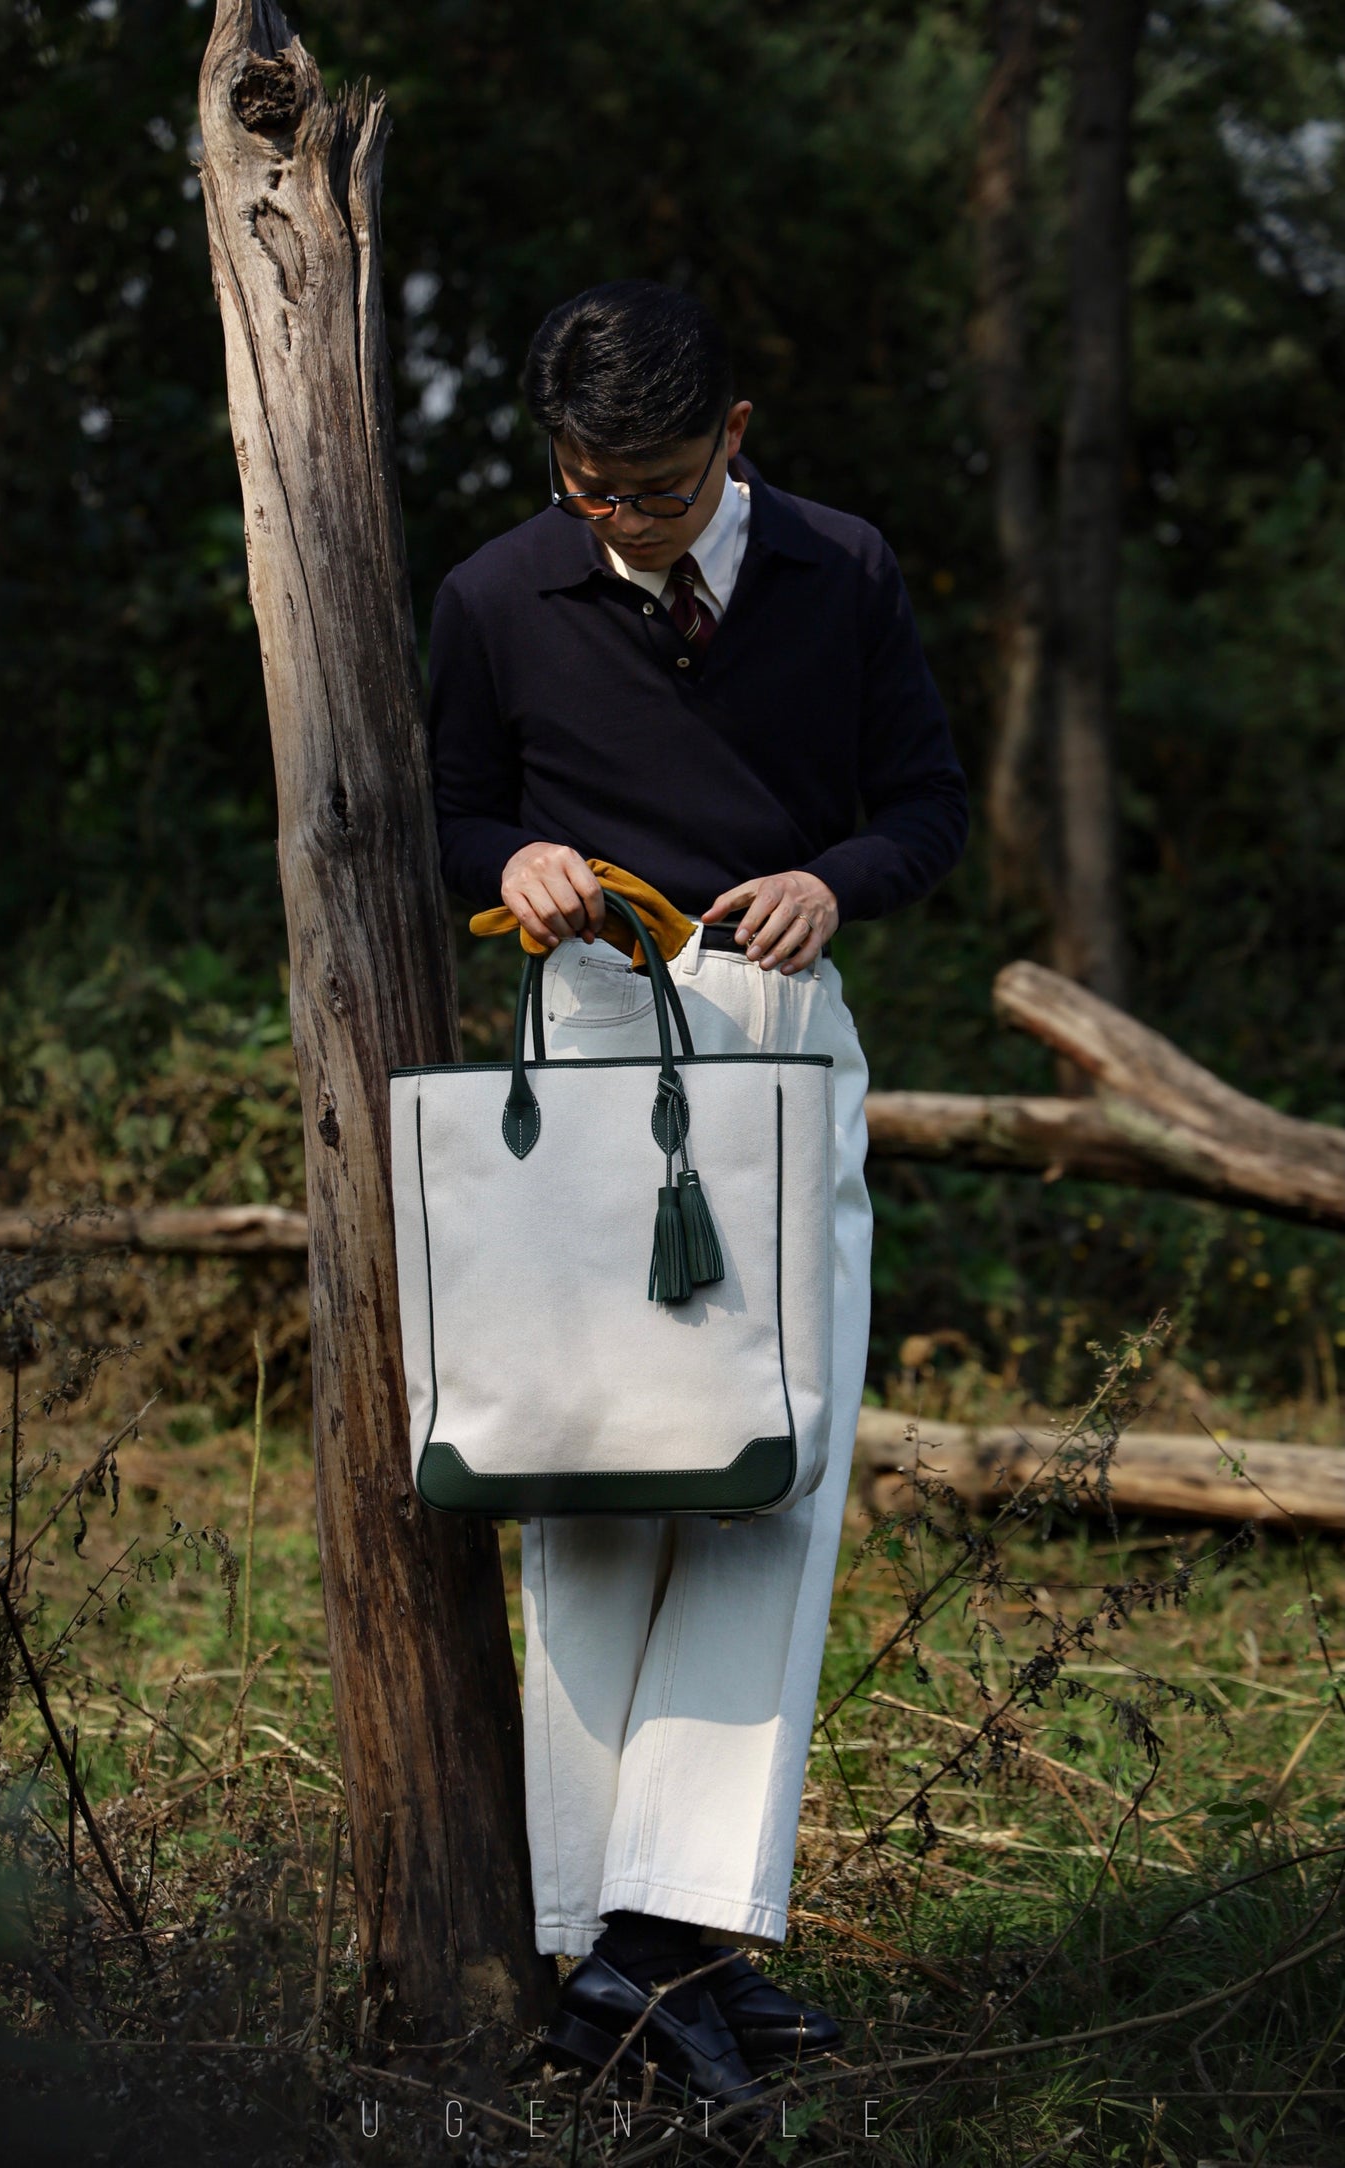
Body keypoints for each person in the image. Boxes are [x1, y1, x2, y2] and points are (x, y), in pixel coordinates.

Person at [425, 280, 969, 2103]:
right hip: (578, 1049)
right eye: (590, 489)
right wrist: (511, 851)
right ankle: (643, 1957)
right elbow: (438, 815)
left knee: (771, 1477)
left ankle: (649, 1954)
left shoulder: (843, 570)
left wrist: (838, 879)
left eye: (653, 486)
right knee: (590, 1490)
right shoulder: (498, 594)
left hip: (776, 1032)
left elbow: (925, 808)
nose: (623, 520)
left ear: (731, 439)